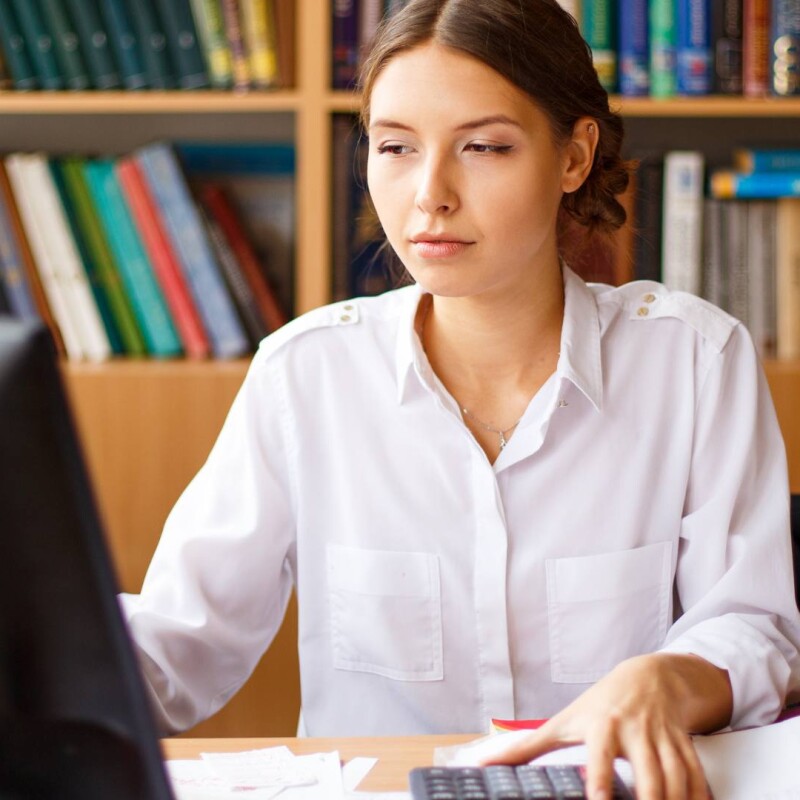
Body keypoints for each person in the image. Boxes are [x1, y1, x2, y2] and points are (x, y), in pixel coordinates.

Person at [121, 1, 800, 798]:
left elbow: (756, 624)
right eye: (395, 147)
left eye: (483, 147)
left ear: (575, 155)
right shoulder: (305, 375)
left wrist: (676, 677)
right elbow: (177, 644)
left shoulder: (693, 361)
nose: (429, 194)